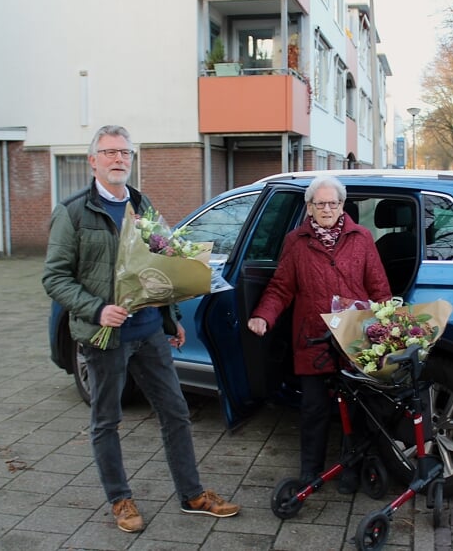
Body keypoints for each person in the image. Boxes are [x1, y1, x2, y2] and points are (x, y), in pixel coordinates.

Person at [42, 125, 239, 533]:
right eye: (109, 152)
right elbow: (55, 278)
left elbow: (160, 264)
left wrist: (171, 319)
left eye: (125, 153)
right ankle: (120, 499)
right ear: (92, 160)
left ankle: (192, 494)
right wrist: (96, 310)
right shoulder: (73, 212)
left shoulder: (142, 204)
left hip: (149, 332)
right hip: (106, 337)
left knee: (176, 413)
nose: (118, 159)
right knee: (107, 421)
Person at [246, 175, 392, 493]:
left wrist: (384, 332)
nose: (327, 209)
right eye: (320, 203)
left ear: (342, 206)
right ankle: (310, 472)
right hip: (314, 339)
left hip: (354, 340)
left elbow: (379, 287)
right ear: (309, 207)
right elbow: (281, 288)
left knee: (355, 408)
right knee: (314, 410)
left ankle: (351, 468)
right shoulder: (295, 242)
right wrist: (263, 315)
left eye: (333, 203)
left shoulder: (362, 237)